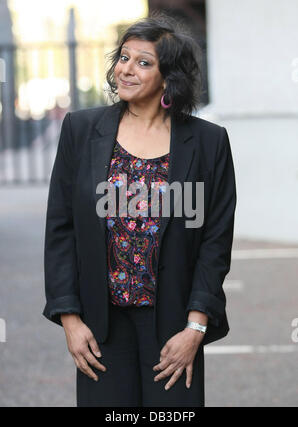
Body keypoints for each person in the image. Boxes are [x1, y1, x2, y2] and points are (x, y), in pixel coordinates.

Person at [43, 13, 237, 407]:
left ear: (169, 78)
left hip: (172, 324)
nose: (126, 70)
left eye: (143, 62)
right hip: (101, 325)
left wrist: (194, 329)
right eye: (124, 57)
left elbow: (215, 242)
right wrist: (70, 319)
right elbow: (60, 228)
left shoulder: (208, 142)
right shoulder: (81, 131)